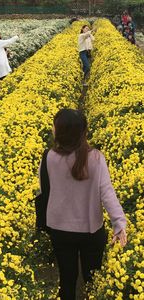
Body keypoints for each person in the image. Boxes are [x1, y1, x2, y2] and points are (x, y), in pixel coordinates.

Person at [39, 108, 127, 300]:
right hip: (91, 231)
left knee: (67, 280)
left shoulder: (49, 157)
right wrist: (119, 223)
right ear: (83, 132)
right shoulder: (96, 158)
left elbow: (43, 189)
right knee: (91, 280)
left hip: (60, 230)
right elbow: (107, 192)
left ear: (59, 131)